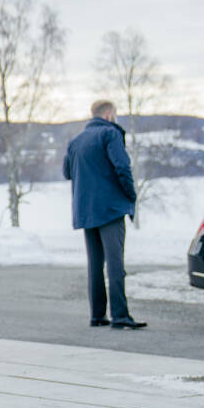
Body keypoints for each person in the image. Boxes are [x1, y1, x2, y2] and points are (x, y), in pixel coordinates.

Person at [63, 100, 146, 330]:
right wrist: (131, 196)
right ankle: (120, 315)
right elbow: (122, 167)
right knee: (115, 264)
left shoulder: (76, 141)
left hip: (86, 210)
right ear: (109, 114)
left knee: (95, 264)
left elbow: (66, 172)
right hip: (110, 209)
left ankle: (98, 315)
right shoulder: (110, 134)